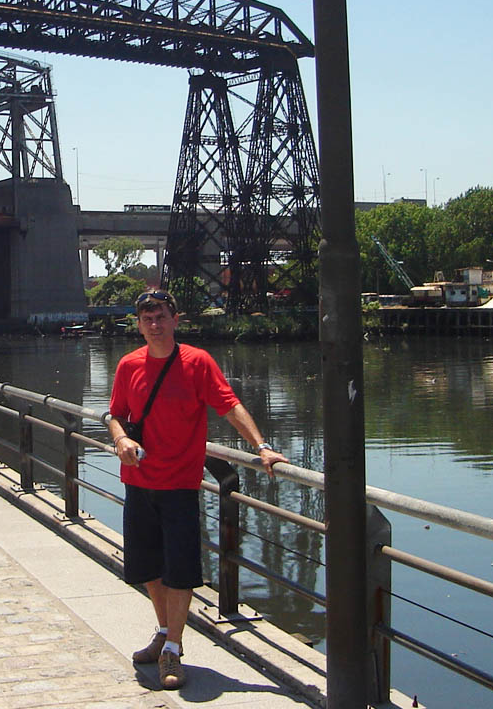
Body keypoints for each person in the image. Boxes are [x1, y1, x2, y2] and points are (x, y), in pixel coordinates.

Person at [107, 289, 288, 690]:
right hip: (138, 481)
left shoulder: (197, 362)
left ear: (176, 320)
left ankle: (174, 647)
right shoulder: (128, 365)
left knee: (180, 570)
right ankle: (162, 631)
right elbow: (115, 414)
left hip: (180, 485)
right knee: (149, 569)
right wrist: (120, 440)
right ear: (138, 324)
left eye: (161, 317)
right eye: (147, 319)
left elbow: (229, 405)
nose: (154, 325)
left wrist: (261, 447)